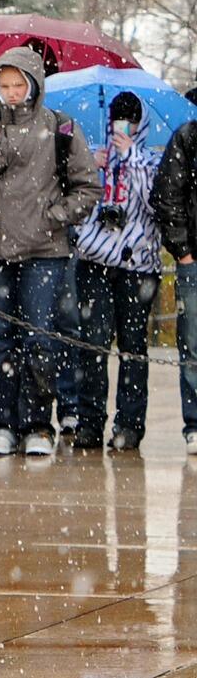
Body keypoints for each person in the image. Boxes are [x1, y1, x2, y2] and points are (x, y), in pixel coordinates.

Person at [0, 46, 100, 457]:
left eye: (20, 84)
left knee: (41, 339)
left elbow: (88, 188)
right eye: (5, 84)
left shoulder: (61, 127)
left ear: (34, 84)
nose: (13, 92)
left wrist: (53, 216)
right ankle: (2, 423)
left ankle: (38, 424)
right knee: (0, 341)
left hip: (44, 250)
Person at [71, 91, 162, 452]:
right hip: (95, 261)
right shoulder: (97, 155)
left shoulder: (151, 159)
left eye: (130, 120)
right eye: (118, 119)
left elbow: (155, 203)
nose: (123, 127)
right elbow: (79, 199)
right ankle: (90, 422)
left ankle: (129, 425)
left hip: (137, 266)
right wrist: (92, 166)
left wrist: (130, 157)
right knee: (92, 345)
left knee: (133, 348)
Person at [156, 107, 197, 454]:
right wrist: (183, 251)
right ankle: (196, 423)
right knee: (194, 343)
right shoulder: (187, 136)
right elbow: (168, 195)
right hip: (194, 260)